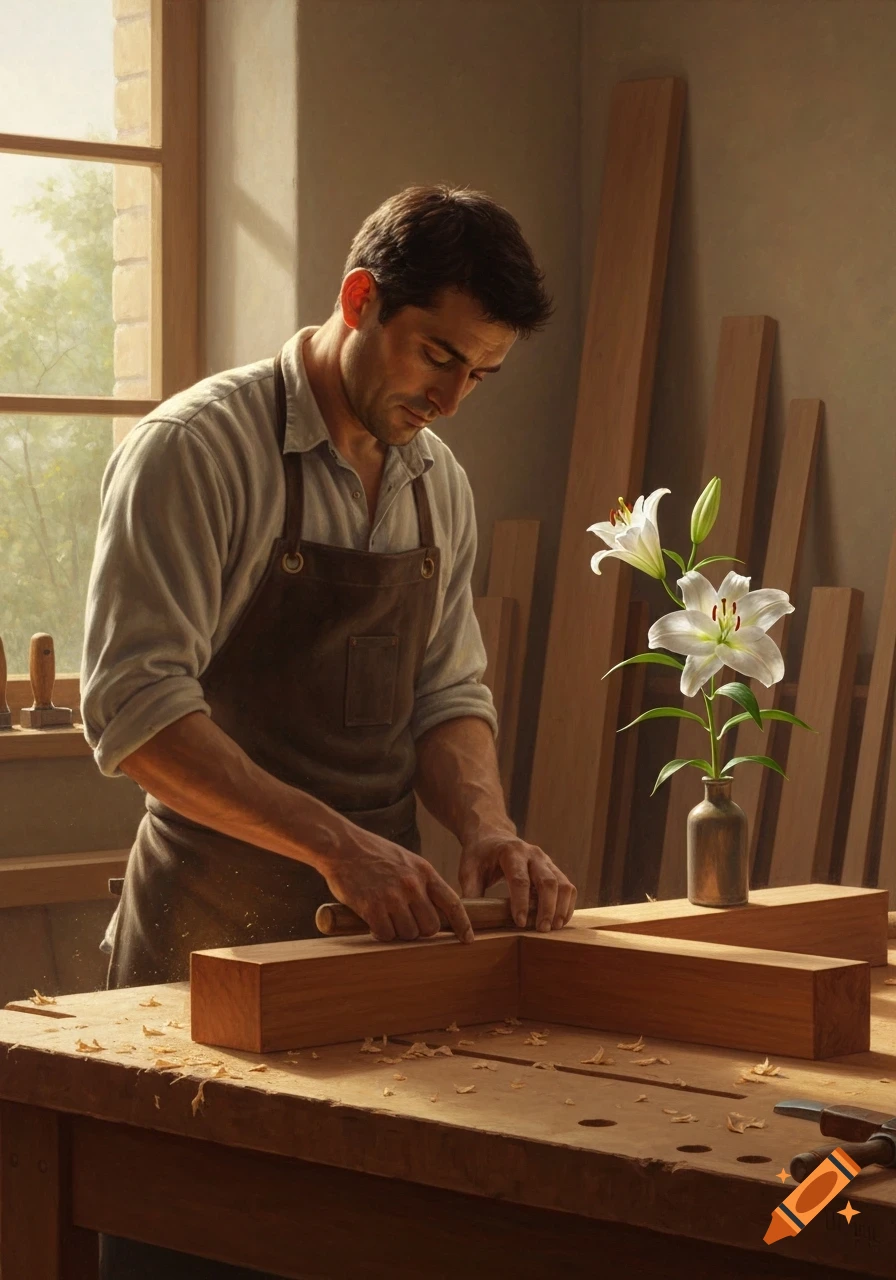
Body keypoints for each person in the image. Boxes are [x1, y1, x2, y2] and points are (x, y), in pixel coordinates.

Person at [81, 184, 577, 1277]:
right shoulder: (197, 451)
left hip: (370, 968)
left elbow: (445, 694)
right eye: (435, 357)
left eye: (480, 375)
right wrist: (338, 844)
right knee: (189, 1249)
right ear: (358, 299)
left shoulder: (434, 481)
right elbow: (135, 710)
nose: (452, 398)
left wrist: (487, 828)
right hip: (197, 964)